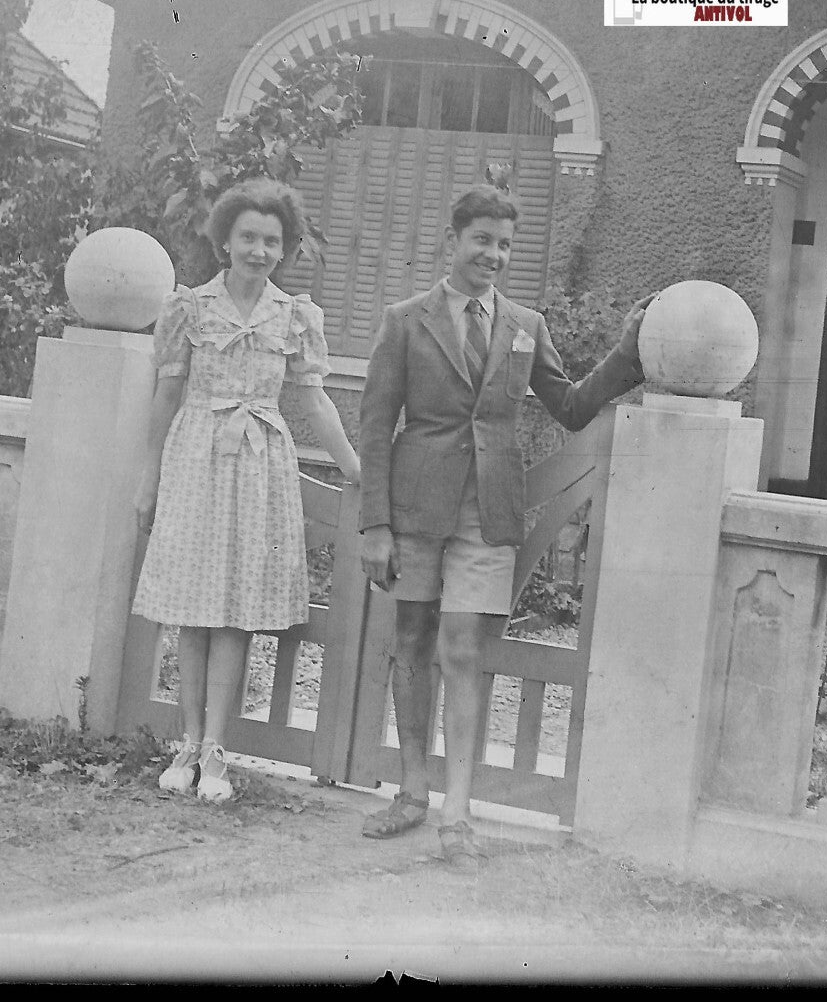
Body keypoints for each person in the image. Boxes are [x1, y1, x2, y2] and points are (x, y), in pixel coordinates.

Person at [357, 180, 654, 870]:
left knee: (462, 649)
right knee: (411, 638)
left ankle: (457, 810)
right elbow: (375, 427)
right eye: (482, 240)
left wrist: (628, 352)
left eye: (505, 245)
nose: (493, 254)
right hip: (414, 508)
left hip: (488, 512)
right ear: (452, 240)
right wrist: (376, 523)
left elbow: (572, 406)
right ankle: (411, 789)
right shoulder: (404, 320)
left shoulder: (525, 324)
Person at [133, 177, 360, 803]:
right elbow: (166, 396)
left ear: (284, 249)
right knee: (193, 606)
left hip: (259, 463)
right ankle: (186, 740)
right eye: (248, 238)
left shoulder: (294, 317)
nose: (260, 250)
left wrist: (352, 465)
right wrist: (147, 479)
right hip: (196, 457)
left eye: (272, 240)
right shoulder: (191, 309)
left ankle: (215, 750)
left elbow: (314, 400)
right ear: (225, 242)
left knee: (235, 610)